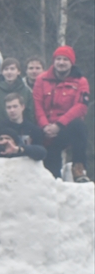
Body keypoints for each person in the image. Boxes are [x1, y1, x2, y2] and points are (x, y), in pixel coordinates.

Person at [33, 45, 90, 181]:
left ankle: (78, 168)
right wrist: (45, 126)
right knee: (52, 174)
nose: (61, 63)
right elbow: (37, 105)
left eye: (65, 59)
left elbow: (81, 107)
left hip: (66, 128)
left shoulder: (81, 81)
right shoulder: (41, 80)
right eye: (58, 59)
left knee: (79, 126)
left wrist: (59, 125)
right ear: (54, 61)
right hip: (45, 129)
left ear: (71, 63)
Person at [0, 57, 35, 127]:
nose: (9, 72)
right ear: (2, 72)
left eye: (12, 69)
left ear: (18, 71)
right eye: (6, 69)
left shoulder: (26, 91)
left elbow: (30, 115)